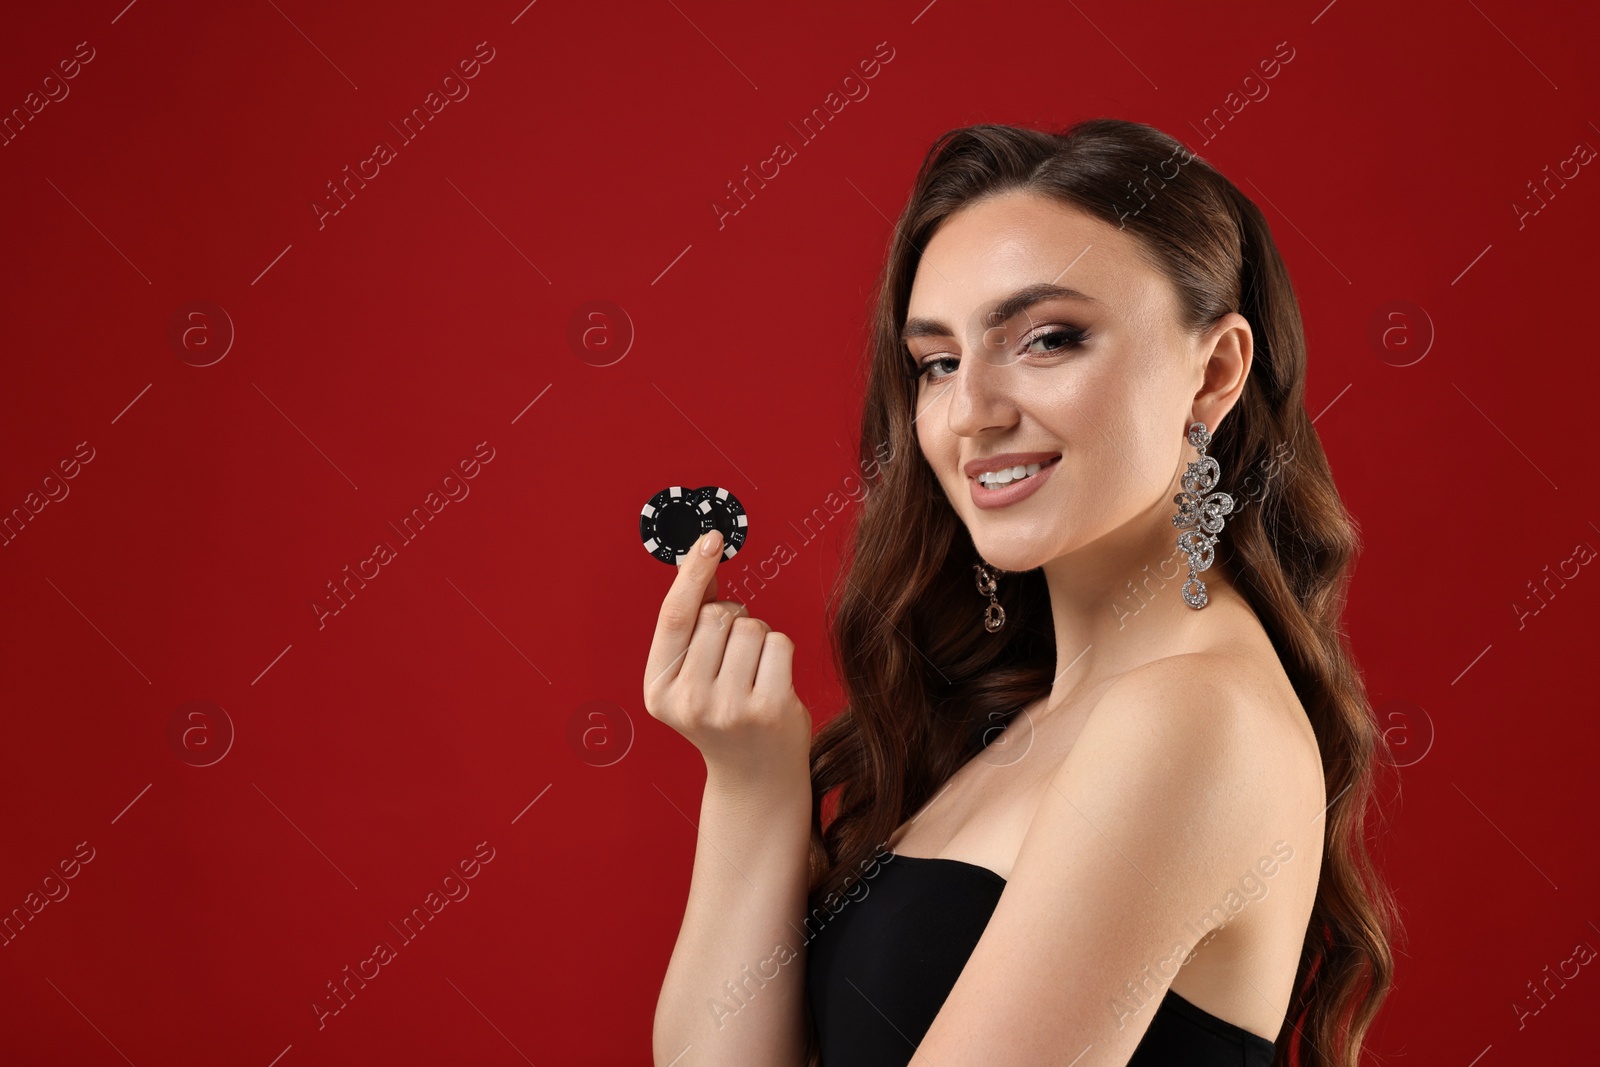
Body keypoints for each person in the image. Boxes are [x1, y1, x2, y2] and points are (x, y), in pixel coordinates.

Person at [647, 117, 1399, 1067]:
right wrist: (753, 783)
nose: (971, 413)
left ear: (1213, 372)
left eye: (1046, 339)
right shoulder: (1016, 719)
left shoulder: (1194, 717)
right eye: (939, 361)